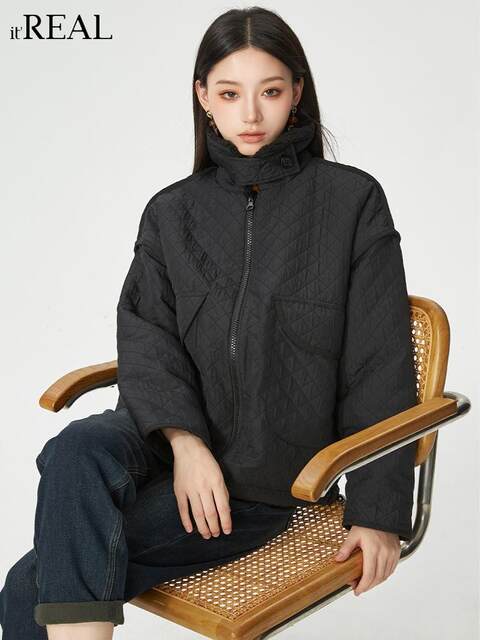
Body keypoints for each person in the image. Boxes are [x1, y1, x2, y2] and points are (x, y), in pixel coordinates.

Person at [0, 6, 418, 639]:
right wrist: (186, 442)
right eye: (229, 94)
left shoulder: (351, 202)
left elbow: (379, 362)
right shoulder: (172, 212)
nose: (250, 114)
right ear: (203, 97)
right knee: (76, 447)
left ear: (297, 92)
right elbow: (147, 335)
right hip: (161, 437)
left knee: (31, 584)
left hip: (262, 476)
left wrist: (379, 511)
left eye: (269, 92)